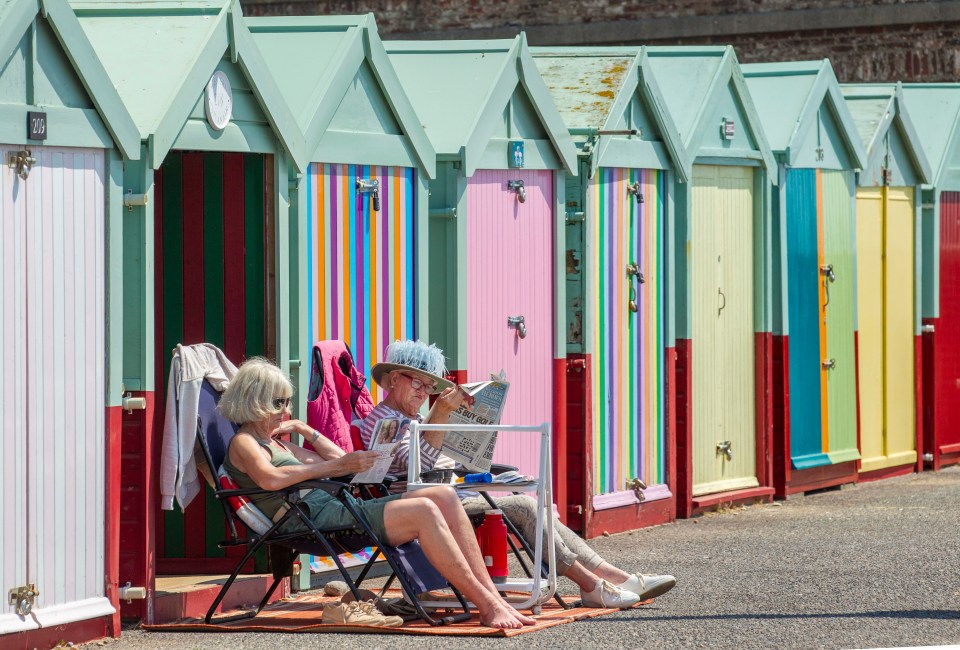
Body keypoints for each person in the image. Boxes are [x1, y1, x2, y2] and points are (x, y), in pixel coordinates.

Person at [217, 357, 536, 629]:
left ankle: (493, 597)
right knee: (424, 510)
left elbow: (334, 461)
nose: (285, 410)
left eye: (287, 402)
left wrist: (306, 430)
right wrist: (334, 466)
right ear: (254, 399)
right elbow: (272, 478)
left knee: (442, 494)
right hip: (311, 519)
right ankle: (487, 604)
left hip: (332, 508)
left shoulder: (277, 442)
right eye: (278, 402)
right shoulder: (244, 442)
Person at [359, 340, 677, 609]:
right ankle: (593, 585)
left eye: (429, 385)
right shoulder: (383, 419)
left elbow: (441, 461)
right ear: (392, 380)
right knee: (524, 507)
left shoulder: (418, 418)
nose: (423, 391)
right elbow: (420, 466)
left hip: (451, 500)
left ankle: (615, 577)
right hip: (424, 509)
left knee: (531, 506)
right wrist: (442, 413)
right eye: (417, 382)